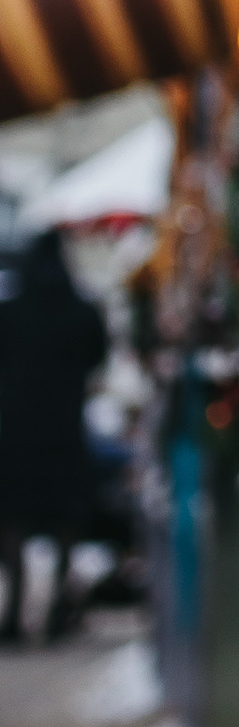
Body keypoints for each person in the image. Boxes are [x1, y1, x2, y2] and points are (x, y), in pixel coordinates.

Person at [0, 224, 109, 640]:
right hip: (65, 427)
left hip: (17, 429)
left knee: (13, 519)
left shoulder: (10, 310)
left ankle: (13, 612)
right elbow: (99, 359)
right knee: (66, 519)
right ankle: (59, 608)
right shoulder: (82, 310)